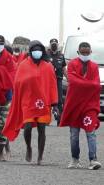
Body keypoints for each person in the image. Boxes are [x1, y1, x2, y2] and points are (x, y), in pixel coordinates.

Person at [3, 40, 58, 165]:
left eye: (39, 50)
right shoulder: (23, 65)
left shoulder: (48, 66)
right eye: (34, 50)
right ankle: (28, 147)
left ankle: (40, 156)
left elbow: (52, 85)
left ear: (42, 51)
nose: (36, 52)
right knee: (27, 127)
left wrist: (54, 104)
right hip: (27, 101)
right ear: (30, 51)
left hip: (43, 103)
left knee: (41, 129)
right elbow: (17, 83)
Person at [60, 42, 101, 170]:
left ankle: (93, 160)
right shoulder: (71, 64)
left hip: (89, 105)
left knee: (91, 132)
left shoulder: (94, 67)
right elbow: (73, 81)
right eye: (82, 53)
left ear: (90, 52)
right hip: (74, 105)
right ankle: (75, 159)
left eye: (87, 53)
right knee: (74, 134)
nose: (85, 55)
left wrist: (83, 83)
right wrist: (88, 83)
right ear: (78, 52)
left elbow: (97, 85)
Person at [47, 38, 67, 126]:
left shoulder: (61, 56)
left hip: (58, 80)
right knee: (47, 99)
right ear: (50, 45)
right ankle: (46, 119)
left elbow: (64, 69)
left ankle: (60, 120)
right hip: (48, 80)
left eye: (55, 44)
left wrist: (69, 79)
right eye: (52, 44)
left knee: (59, 100)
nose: (54, 45)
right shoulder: (46, 55)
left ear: (57, 45)